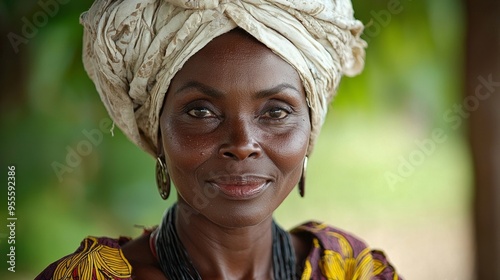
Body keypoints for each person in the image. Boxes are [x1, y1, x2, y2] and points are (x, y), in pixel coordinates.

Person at [37, 0, 402, 279]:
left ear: (310, 131)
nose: (242, 144)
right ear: (157, 133)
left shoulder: (353, 270)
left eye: (275, 112)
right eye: (201, 111)